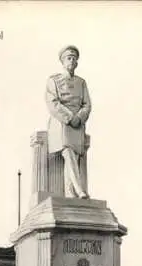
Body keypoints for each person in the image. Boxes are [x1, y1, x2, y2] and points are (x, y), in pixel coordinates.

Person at [46, 45, 91, 199]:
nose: (72, 61)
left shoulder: (81, 83)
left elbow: (87, 104)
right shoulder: (54, 80)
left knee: (73, 157)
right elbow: (53, 103)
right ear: (63, 62)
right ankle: (80, 190)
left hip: (78, 125)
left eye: (74, 59)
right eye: (69, 58)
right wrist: (70, 117)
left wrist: (79, 117)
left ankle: (70, 194)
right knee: (69, 152)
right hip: (62, 125)